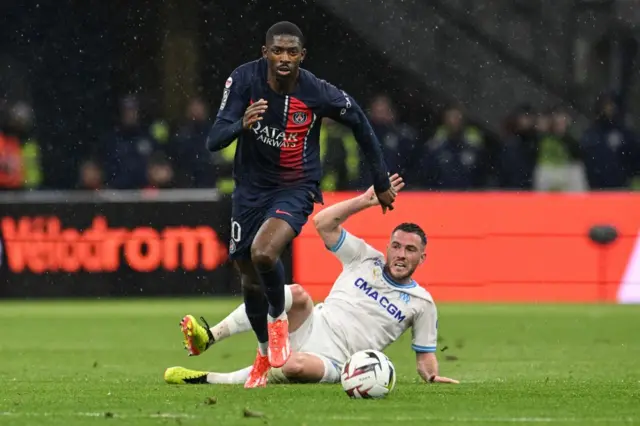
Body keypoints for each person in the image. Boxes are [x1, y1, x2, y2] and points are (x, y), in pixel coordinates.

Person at [193, 21, 396, 388]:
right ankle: (262, 356)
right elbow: (213, 140)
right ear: (264, 52)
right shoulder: (242, 81)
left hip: (295, 187)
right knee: (249, 279)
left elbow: (361, 123)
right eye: (277, 51)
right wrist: (241, 123)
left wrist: (380, 182)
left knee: (264, 254)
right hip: (249, 190)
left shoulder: (317, 91)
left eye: (291, 52)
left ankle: (277, 320)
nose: (284, 58)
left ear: (302, 56)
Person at [166, 174, 458, 386]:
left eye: (410, 250)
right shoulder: (365, 258)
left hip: (339, 360)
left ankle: (209, 379)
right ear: (388, 247)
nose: (400, 254)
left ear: (422, 258)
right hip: (312, 323)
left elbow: (425, 356)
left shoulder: (422, 303)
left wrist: (432, 376)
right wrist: (364, 201)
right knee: (296, 294)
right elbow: (322, 223)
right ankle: (209, 336)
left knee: (294, 366)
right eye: (396, 246)